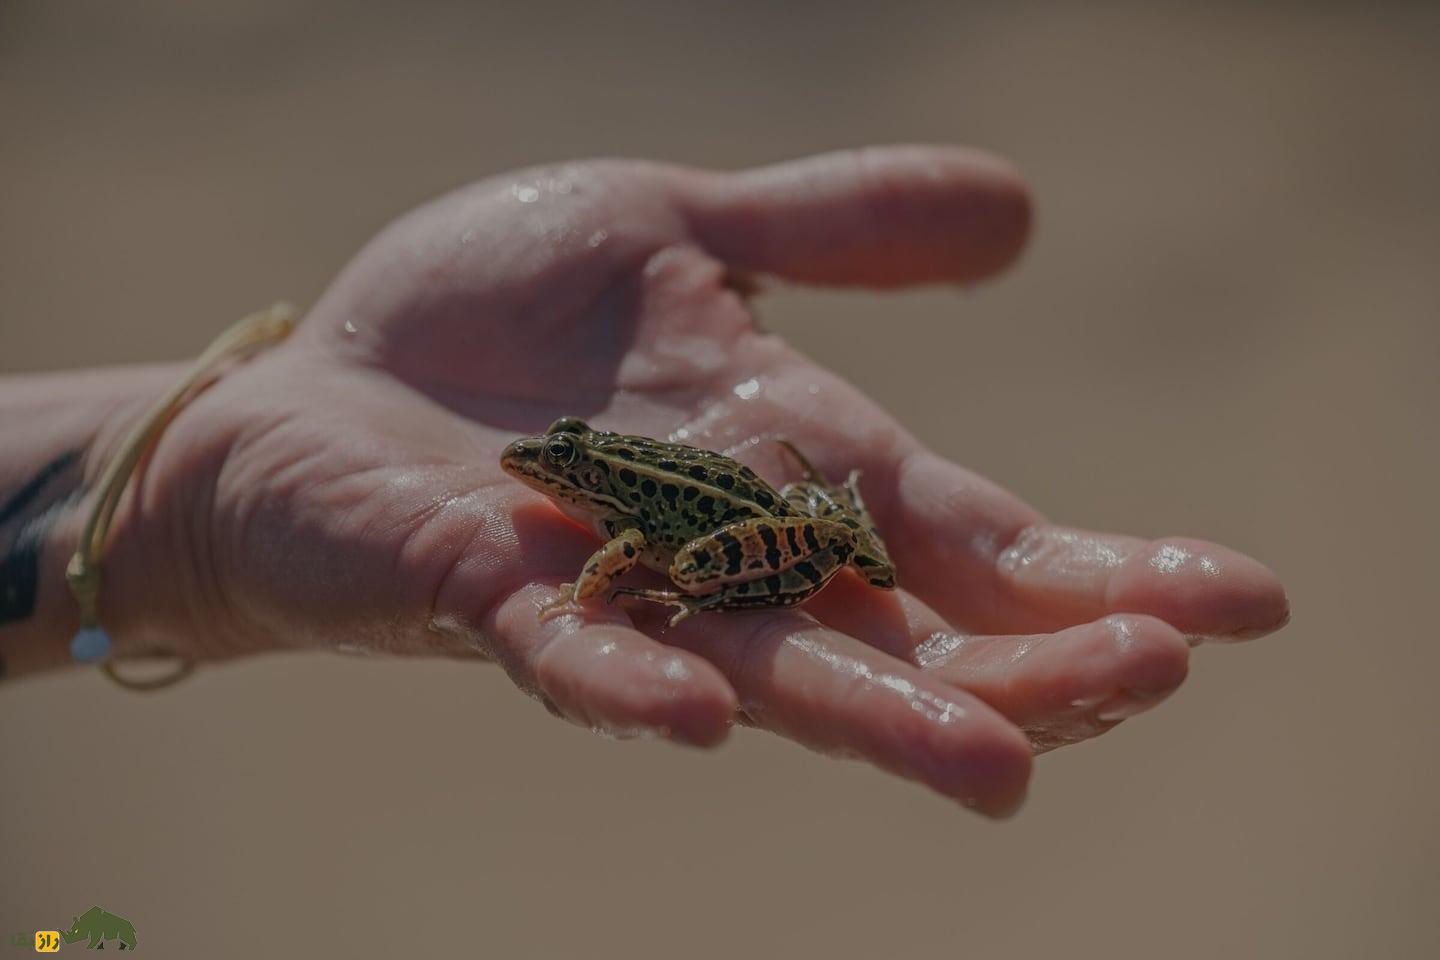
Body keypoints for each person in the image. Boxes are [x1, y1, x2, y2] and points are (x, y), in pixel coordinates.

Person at [0, 145, 1288, 817]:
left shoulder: (604, 503)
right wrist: (195, 508)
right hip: (778, 508)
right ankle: (816, 545)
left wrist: (603, 593)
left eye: (555, 462)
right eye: (554, 459)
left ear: (579, 464)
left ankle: (787, 564)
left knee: (677, 570)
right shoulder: (579, 472)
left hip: (739, 528)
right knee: (732, 552)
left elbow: (621, 554)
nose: (535, 472)